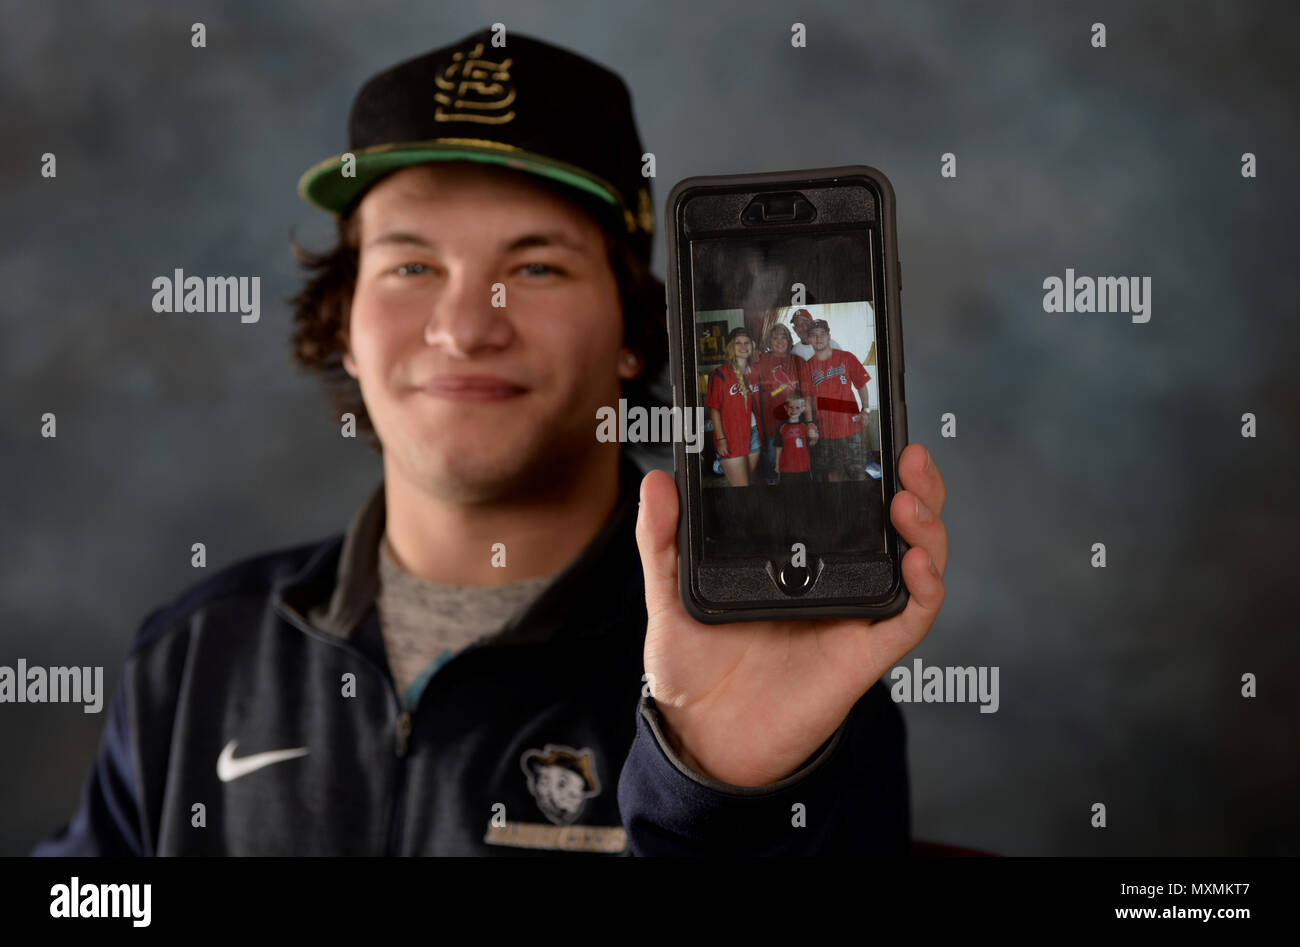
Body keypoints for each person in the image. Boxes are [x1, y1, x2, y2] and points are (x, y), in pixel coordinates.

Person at [31, 27, 949, 856]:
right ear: (343, 321)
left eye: (536, 265)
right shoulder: (196, 654)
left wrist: (718, 791)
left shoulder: (783, 675)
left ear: (634, 329)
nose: (468, 326)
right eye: (412, 265)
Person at [799, 319, 872, 482]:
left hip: (851, 429)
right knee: (833, 476)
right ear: (809, 339)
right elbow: (807, 399)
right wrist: (810, 422)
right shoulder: (807, 367)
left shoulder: (847, 358)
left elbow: (861, 385)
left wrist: (865, 409)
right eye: (814, 335)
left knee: (857, 473)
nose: (818, 339)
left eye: (822, 334)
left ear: (829, 336)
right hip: (826, 432)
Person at [705, 326, 762, 487]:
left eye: (747, 342)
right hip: (731, 437)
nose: (743, 346)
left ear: (752, 345)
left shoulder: (755, 373)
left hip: (754, 434)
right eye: (738, 343)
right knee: (741, 485)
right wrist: (721, 439)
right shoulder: (720, 374)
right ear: (731, 347)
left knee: (748, 482)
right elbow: (714, 410)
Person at [751, 322, 806, 484]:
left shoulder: (798, 361)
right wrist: (753, 351)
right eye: (775, 338)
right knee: (771, 462)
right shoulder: (761, 360)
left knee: (795, 461)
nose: (780, 341)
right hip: (771, 421)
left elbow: (808, 392)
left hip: (795, 422)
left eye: (783, 337)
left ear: (789, 340)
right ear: (769, 341)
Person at [773, 396, 817, 483]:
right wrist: (777, 464)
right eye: (791, 407)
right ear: (786, 408)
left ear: (803, 408)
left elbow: (812, 442)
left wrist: (815, 436)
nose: (794, 410)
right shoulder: (781, 427)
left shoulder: (805, 426)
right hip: (786, 468)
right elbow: (778, 447)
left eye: (797, 407)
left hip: (803, 467)